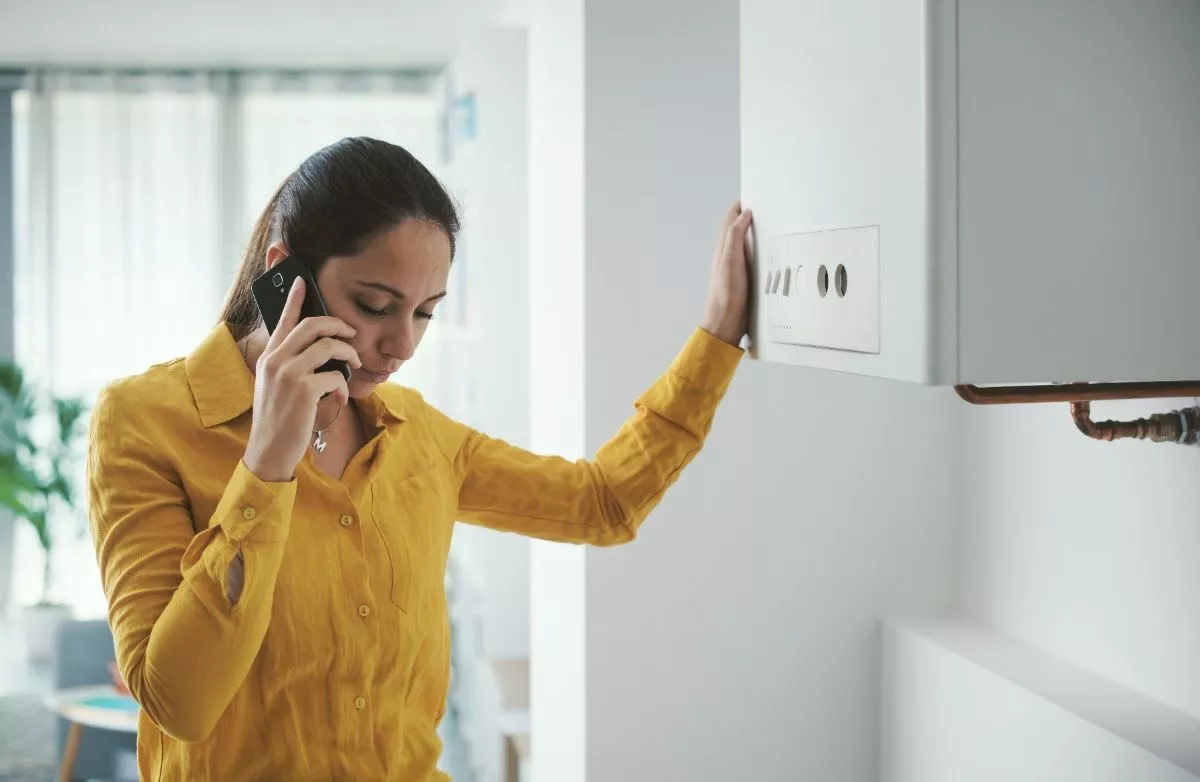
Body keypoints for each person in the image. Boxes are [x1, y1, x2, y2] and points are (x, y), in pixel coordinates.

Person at [87, 136, 752, 781]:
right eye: (374, 305)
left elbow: (602, 503)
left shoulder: (419, 436)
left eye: (426, 313)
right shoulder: (144, 422)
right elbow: (180, 704)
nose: (401, 344)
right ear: (282, 272)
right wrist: (267, 465)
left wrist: (719, 334)